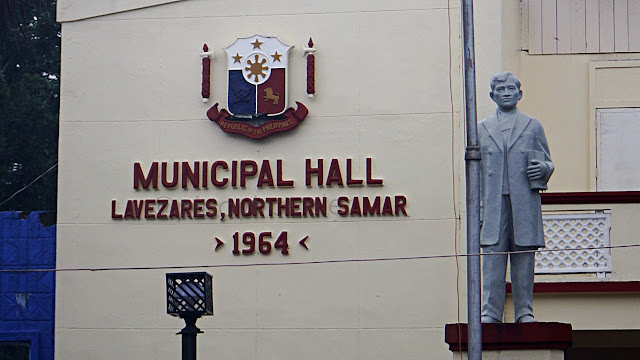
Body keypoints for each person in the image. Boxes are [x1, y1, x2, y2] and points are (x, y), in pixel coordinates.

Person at [478, 71, 554, 323]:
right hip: (492, 203)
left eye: (511, 89)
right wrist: (477, 209)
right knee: (492, 257)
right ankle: (491, 312)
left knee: (523, 256)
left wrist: (544, 169)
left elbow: (546, 161)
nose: (507, 93)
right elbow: (474, 173)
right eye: (501, 90)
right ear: (492, 96)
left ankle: (524, 311)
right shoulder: (481, 129)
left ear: (520, 94)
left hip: (523, 202)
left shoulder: (533, 125)